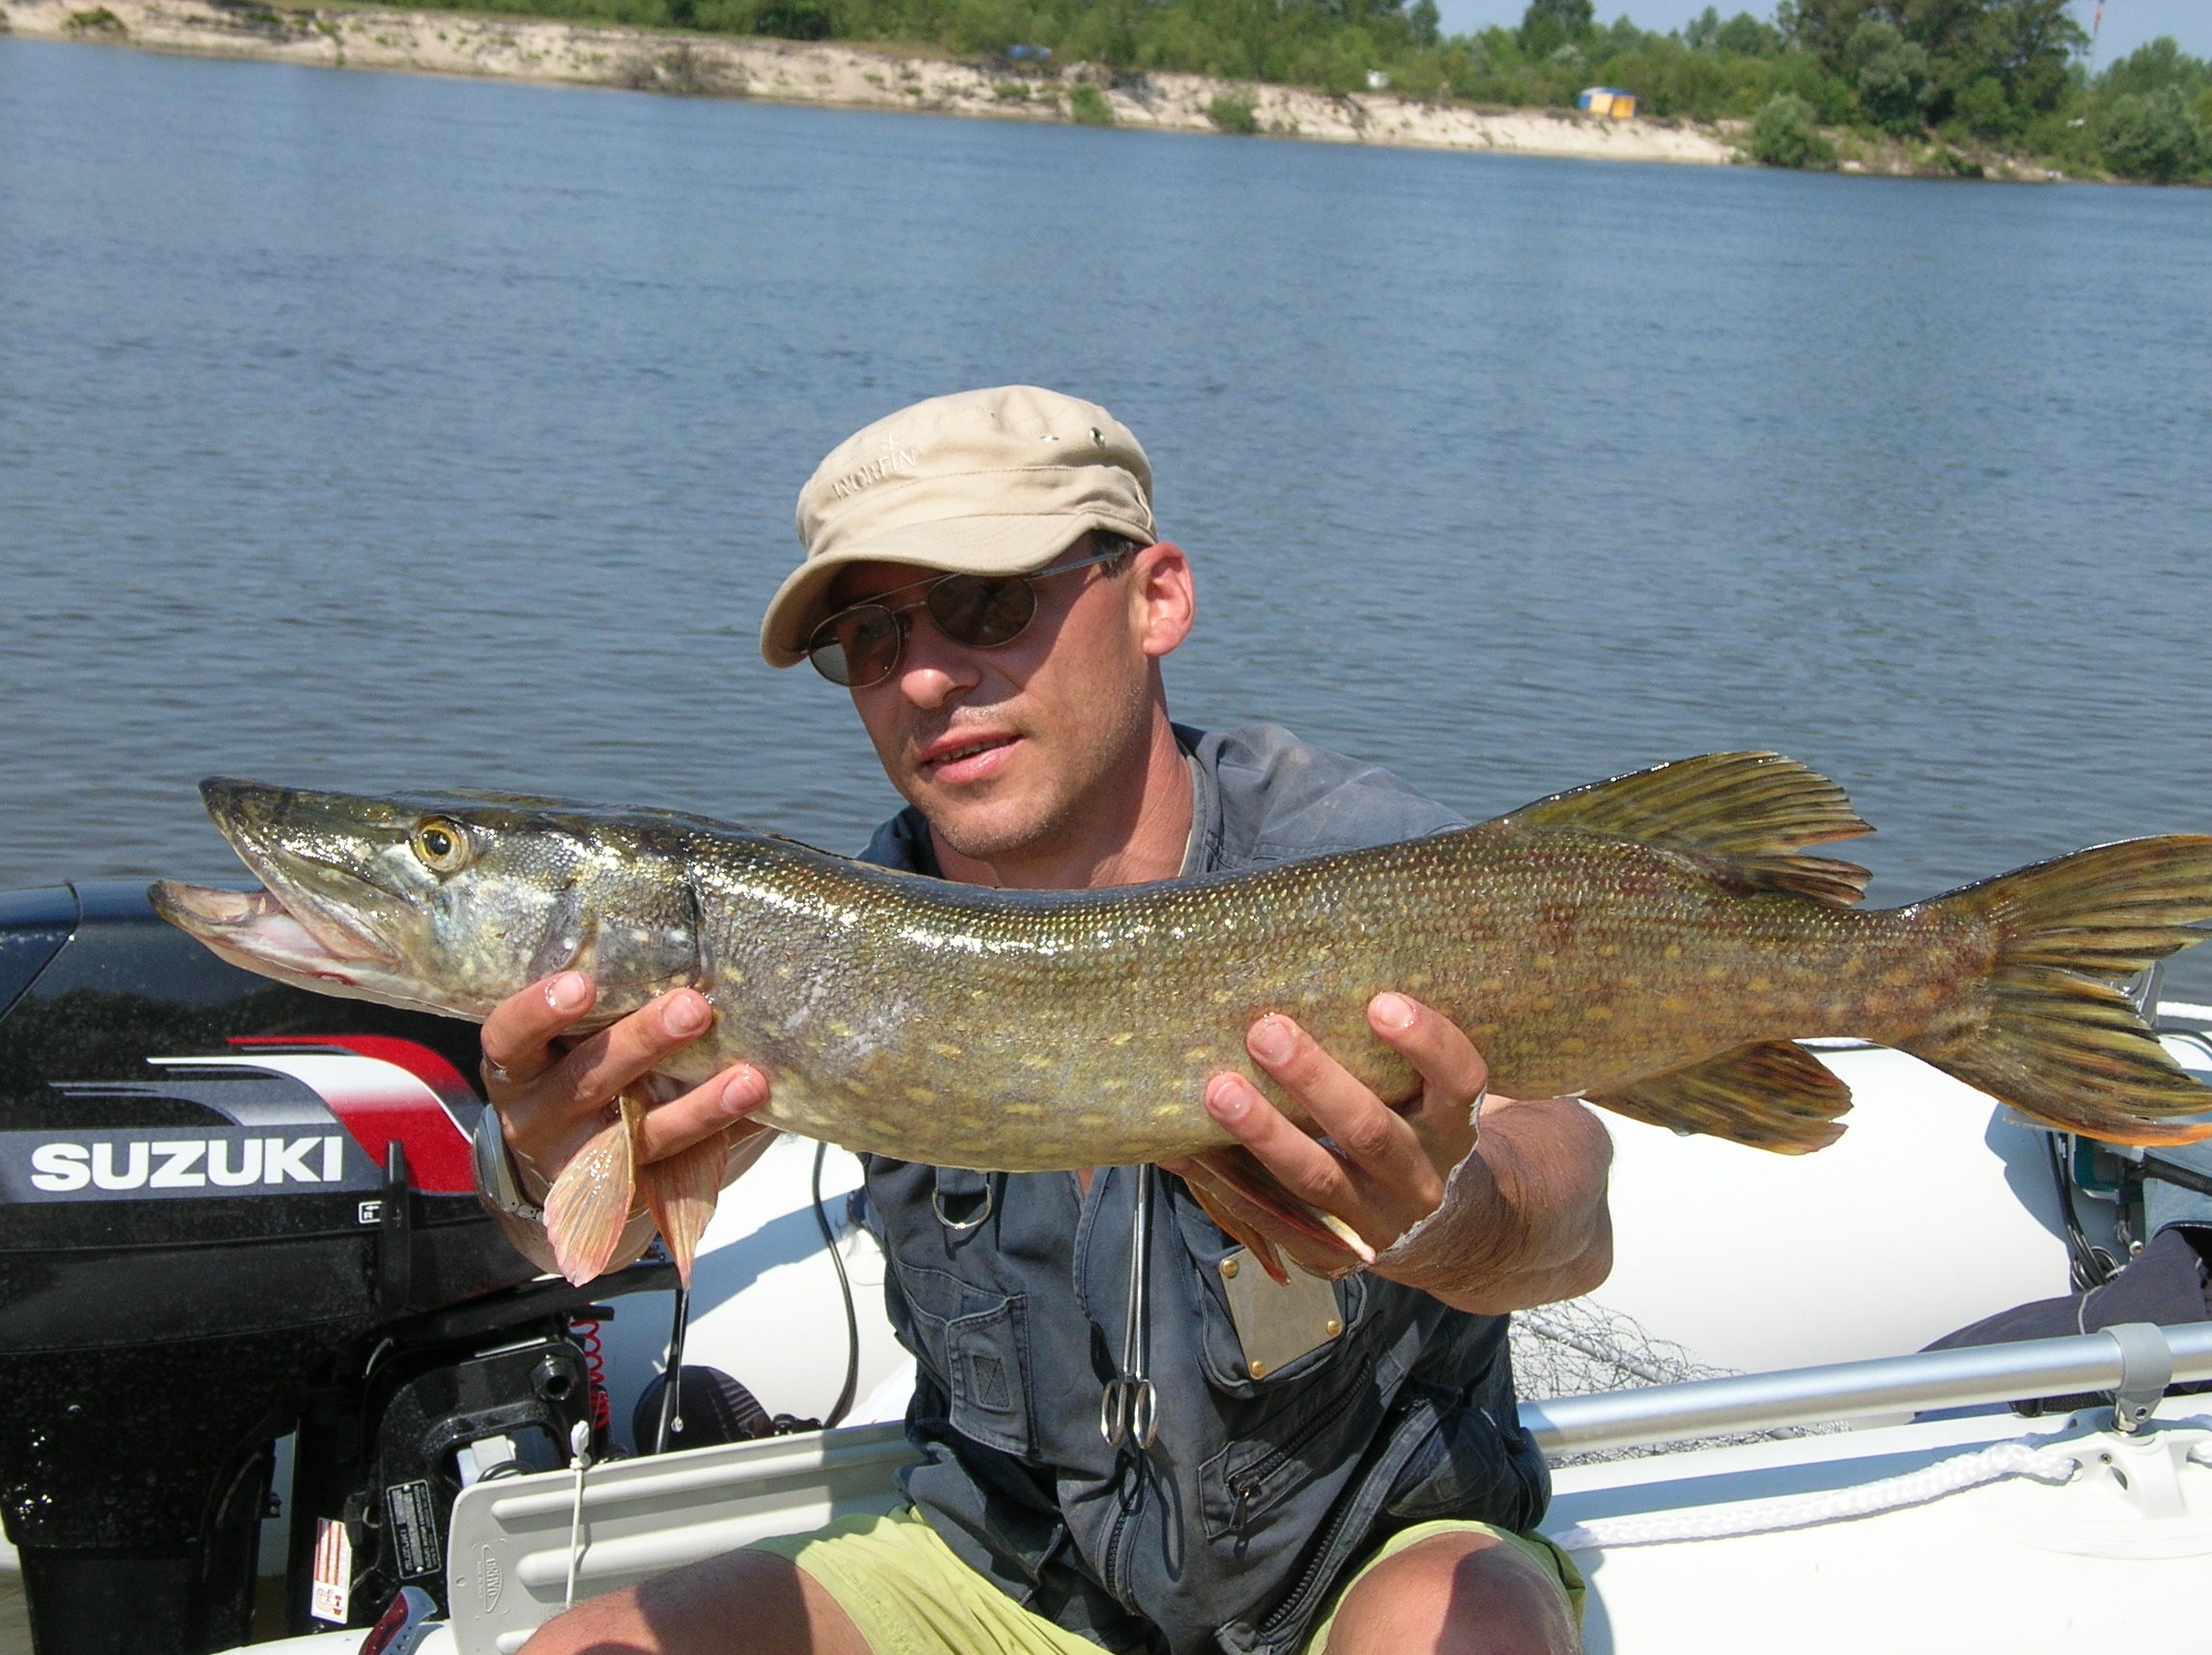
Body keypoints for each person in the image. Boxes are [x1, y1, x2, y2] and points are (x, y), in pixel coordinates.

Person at [482, 387, 1615, 1655]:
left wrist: (1449, 1216)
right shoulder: (811, 936)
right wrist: (539, 1166)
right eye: (868, 638)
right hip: (1010, 1569)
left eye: (987, 603)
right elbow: (575, 1230)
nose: (924, 676)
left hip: (1366, 1554)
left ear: (1156, 598)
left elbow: (1570, 1207)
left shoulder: (1356, 861)